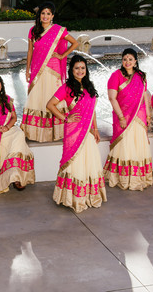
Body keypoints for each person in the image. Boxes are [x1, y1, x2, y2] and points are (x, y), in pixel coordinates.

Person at [46, 55, 106, 212]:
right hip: (74, 131)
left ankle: (88, 196)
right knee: (75, 163)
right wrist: (66, 117)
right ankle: (73, 198)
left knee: (89, 162)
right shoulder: (66, 88)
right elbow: (50, 105)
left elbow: (92, 111)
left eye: (82, 68)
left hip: (88, 132)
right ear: (71, 70)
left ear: (86, 70)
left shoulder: (89, 87)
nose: (80, 71)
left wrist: (95, 129)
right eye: (77, 68)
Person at [22, 1, 79, 142]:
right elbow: (30, 51)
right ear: (39, 15)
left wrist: (62, 55)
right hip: (36, 69)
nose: (45, 16)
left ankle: (56, 132)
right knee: (36, 97)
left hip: (53, 70)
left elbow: (75, 43)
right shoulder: (33, 30)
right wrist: (27, 70)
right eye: (43, 13)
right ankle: (35, 133)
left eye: (48, 13)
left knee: (52, 97)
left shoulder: (58, 30)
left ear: (52, 16)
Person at [103, 48, 153, 191]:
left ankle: (139, 177)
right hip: (123, 116)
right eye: (125, 59)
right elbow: (112, 98)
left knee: (138, 145)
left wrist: (148, 115)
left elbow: (145, 97)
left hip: (140, 116)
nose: (127, 62)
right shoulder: (116, 76)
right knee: (125, 146)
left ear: (136, 61)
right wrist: (121, 117)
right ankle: (123, 178)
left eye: (130, 59)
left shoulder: (141, 76)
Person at [0, 74, 35, 195]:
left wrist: (7, 127)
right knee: (7, 141)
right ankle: (11, 175)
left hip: (7, 128)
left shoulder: (7, 99)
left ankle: (17, 174)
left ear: (2, 86)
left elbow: (14, 117)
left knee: (19, 133)